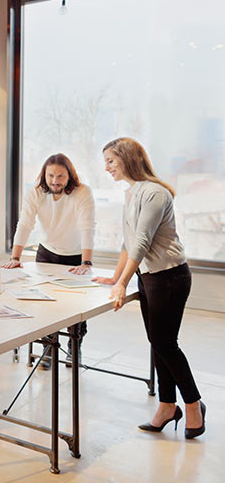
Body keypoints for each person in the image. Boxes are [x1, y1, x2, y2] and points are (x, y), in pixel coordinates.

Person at [92, 137, 205, 439]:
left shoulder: (154, 193)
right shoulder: (132, 194)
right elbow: (128, 243)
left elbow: (141, 242)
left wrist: (123, 285)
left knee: (166, 344)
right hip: (150, 277)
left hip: (169, 277)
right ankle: (168, 406)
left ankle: (193, 404)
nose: (106, 168)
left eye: (111, 161)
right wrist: (116, 280)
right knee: (159, 342)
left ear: (128, 159)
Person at [3, 153, 95, 369]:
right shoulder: (35, 192)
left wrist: (87, 262)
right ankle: (48, 348)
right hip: (46, 253)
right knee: (46, 303)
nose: (55, 181)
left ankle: (75, 348)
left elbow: (87, 226)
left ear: (69, 175)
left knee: (76, 306)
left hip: (75, 257)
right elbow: (25, 223)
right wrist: (15, 257)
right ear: (44, 175)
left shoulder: (82, 192)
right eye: (51, 175)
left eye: (61, 176)